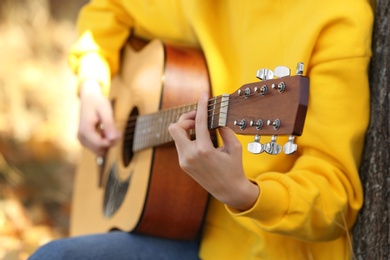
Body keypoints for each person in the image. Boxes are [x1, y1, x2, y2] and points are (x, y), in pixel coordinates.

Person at [29, 0, 373, 259]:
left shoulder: (336, 18)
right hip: (172, 222)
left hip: (254, 250)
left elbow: (334, 197)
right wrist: (91, 84)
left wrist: (245, 194)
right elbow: (109, 10)